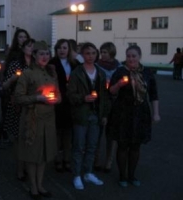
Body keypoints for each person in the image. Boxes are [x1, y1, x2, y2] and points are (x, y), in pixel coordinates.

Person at [107, 45, 160, 187]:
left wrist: (156, 113)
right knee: (123, 145)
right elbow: (111, 91)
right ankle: (122, 176)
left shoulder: (147, 73)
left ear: (139, 56)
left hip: (140, 113)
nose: (131, 59)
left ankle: (132, 175)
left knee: (136, 146)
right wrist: (119, 84)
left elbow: (153, 95)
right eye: (128, 56)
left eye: (134, 56)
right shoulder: (120, 71)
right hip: (122, 113)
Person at [14, 41, 60, 199]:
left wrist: (55, 100)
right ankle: (32, 186)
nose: (45, 57)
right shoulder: (27, 74)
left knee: (44, 155)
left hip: (49, 119)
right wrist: (37, 98)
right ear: (34, 55)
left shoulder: (52, 73)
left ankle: (40, 185)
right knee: (32, 154)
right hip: (32, 119)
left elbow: (59, 95)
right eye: (41, 53)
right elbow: (18, 97)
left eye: (47, 53)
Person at [67, 42, 108, 190]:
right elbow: (70, 95)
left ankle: (88, 172)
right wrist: (83, 98)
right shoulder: (77, 72)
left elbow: (104, 96)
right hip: (81, 114)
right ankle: (77, 175)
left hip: (96, 114)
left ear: (96, 54)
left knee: (92, 146)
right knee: (78, 146)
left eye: (93, 53)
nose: (90, 56)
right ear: (82, 55)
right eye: (87, 53)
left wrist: (104, 114)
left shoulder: (101, 73)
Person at [1, 38, 35, 181]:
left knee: (30, 137)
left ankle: (29, 166)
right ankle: (20, 168)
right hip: (18, 104)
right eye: (28, 46)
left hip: (32, 104)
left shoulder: (36, 64)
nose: (31, 48)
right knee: (18, 138)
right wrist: (15, 78)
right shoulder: (16, 64)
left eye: (33, 46)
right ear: (23, 48)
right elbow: (5, 85)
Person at [0, 29, 31, 148]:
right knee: (7, 113)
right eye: (20, 37)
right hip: (12, 86)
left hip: (26, 88)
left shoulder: (31, 53)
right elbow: (6, 70)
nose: (23, 39)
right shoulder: (13, 53)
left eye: (25, 37)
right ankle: (1, 136)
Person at [49, 39, 77, 173]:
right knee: (57, 132)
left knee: (68, 132)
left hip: (70, 101)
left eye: (65, 48)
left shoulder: (75, 63)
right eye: (59, 48)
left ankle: (67, 158)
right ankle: (57, 159)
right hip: (58, 100)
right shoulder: (52, 63)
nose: (62, 50)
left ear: (69, 49)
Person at [94, 42, 122, 173]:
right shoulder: (96, 66)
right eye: (101, 52)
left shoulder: (119, 67)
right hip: (101, 101)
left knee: (111, 134)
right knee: (98, 133)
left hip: (115, 103)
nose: (102, 55)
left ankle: (109, 161)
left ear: (111, 52)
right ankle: (96, 159)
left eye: (105, 52)